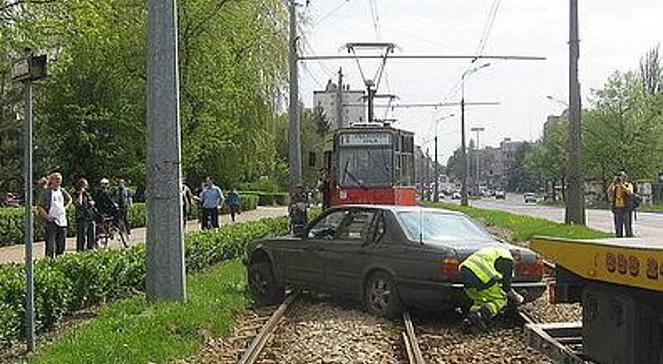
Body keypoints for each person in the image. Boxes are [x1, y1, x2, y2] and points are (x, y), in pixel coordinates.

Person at [459, 247, 524, 334]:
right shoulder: (508, 259)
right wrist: (516, 297)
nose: (514, 266)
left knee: (480, 300)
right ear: (516, 257)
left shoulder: (497, 251)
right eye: (516, 263)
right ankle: (478, 316)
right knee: (500, 299)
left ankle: (469, 323)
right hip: (481, 275)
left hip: (464, 273)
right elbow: (506, 288)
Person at [36, 173, 72, 258]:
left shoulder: (62, 190)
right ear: (52, 180)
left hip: (62, 221)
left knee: (61, 243)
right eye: (57, 179)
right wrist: (47, 216)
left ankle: (60, 260)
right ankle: (49, 261)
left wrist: (65, 208)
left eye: (60, 179)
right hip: (51, 221)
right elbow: (39, 206)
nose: (59, 181)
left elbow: (70, 199)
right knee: (51, 244)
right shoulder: (46, 191)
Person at [607, 171, 634, 238]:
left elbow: (629, 192)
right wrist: (613, 183)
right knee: (618, 225)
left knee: (627, 224)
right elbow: (608, 192)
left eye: (621, 176)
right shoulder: (615, 186)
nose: (620, 178)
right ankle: (619, 235)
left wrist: (622, 185)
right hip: (617, 207)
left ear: (625, 177)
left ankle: (629, 235)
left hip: (626, 207)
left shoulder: (628, 185)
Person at [73, 178, 97, 251]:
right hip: (82, 217)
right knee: (81, 236)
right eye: (84, 185)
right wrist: (80, 193)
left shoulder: (87, 194)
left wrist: (92, 203)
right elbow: (78, 203)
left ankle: (91, 249)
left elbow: (92, 202)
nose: (85, 187)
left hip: (90, 216)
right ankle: (80, 251)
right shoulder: (75, 194)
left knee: (92, 234)